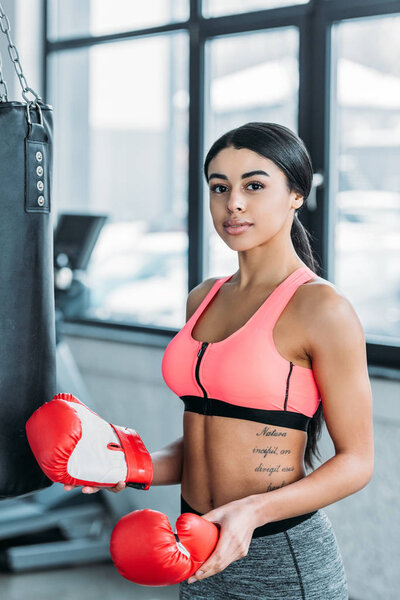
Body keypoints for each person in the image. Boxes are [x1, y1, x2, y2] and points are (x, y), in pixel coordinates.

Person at [67, 122, 374, 599]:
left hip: (278, 553)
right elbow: (207, 439)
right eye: (219, 187)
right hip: (196, 547)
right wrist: (128, 466)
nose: (234, 203)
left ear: (296, 194)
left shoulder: (321, 308)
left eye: (254, 185)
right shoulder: (203, 298)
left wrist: (251, 513)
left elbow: (357, 461)